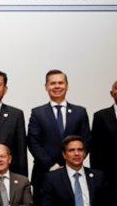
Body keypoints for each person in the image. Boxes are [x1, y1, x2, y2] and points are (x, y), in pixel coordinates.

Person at [27, 70, 90, 198]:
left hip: (74, 173)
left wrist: (71, 165)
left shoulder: (80, 112)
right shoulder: (37, 113)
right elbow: (33, 143)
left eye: (60, 83)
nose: (57, 86)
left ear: (67, 85)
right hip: (44, 173)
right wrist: (52, 165)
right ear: (46, 87)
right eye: (52, 83)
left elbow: (86, 140)